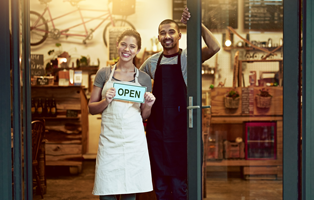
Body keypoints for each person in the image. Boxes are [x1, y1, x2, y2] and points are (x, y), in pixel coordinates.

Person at [139, 7, 220, 200]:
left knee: (179, 185)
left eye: (171, 31)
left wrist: (197, 23)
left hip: (182, 130)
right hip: (158, 132)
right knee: (160, 186)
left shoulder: (188, 57)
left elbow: (215, 47)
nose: (167, 36)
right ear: (158, 37)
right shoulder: (151, 63)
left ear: (179, 35)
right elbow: (136, 82)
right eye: (163, 32)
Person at [89, 29, 156, 200]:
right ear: (117, 45)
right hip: (109, 142)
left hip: (133, 142)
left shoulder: (143, 79)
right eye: (124, 44)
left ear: (138, 50)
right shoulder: (104, 74)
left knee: (130, 193)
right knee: (106, 193)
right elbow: (91, 108)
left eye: (132, 46)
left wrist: (148, 105)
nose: (127, 49)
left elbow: (143, 116)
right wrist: (106, 101)